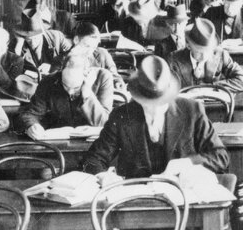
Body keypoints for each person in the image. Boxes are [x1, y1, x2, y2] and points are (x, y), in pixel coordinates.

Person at [82, 55, 230, 182]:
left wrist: (186, 164)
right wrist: (103, 176)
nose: (154, 109)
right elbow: (93, 159)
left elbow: (220, 157)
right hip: (136, 200)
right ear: (138, 97)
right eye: (148, 103)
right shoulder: (121, 116)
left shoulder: (192, 110)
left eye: (160, 102)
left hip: (183, 198)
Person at [16, 45, 116, 135]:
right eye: (65, 86)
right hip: (60, 139)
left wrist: (87, 94)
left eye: (76, 88)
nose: (70, 92)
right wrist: (32, 125)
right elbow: (31, 113)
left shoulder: (103, 78)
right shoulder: (50, 81)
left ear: (87, 74)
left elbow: (104, 123)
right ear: (61, 71)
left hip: (92, 143)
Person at [165, 18, 243, 108]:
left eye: (208, 51)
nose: (204, 57)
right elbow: (166, 91)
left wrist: (212, 87)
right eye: (199, 52)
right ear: (188, 46)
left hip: (215, 110)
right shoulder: (173, 60)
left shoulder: (220, 55)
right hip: (186, 110)